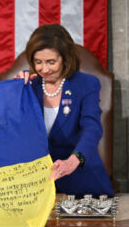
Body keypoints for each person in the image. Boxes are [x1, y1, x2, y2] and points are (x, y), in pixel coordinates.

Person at [16, 24, 113, 197]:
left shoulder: (86, 84)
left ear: (66, 58)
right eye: (38, 62)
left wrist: (74, 160)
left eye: (51, 62)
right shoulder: (28, 86)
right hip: (36, 186)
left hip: (81, 181)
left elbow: (92, 128)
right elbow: (10, 130)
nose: (44, 69)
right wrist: (14, 92)